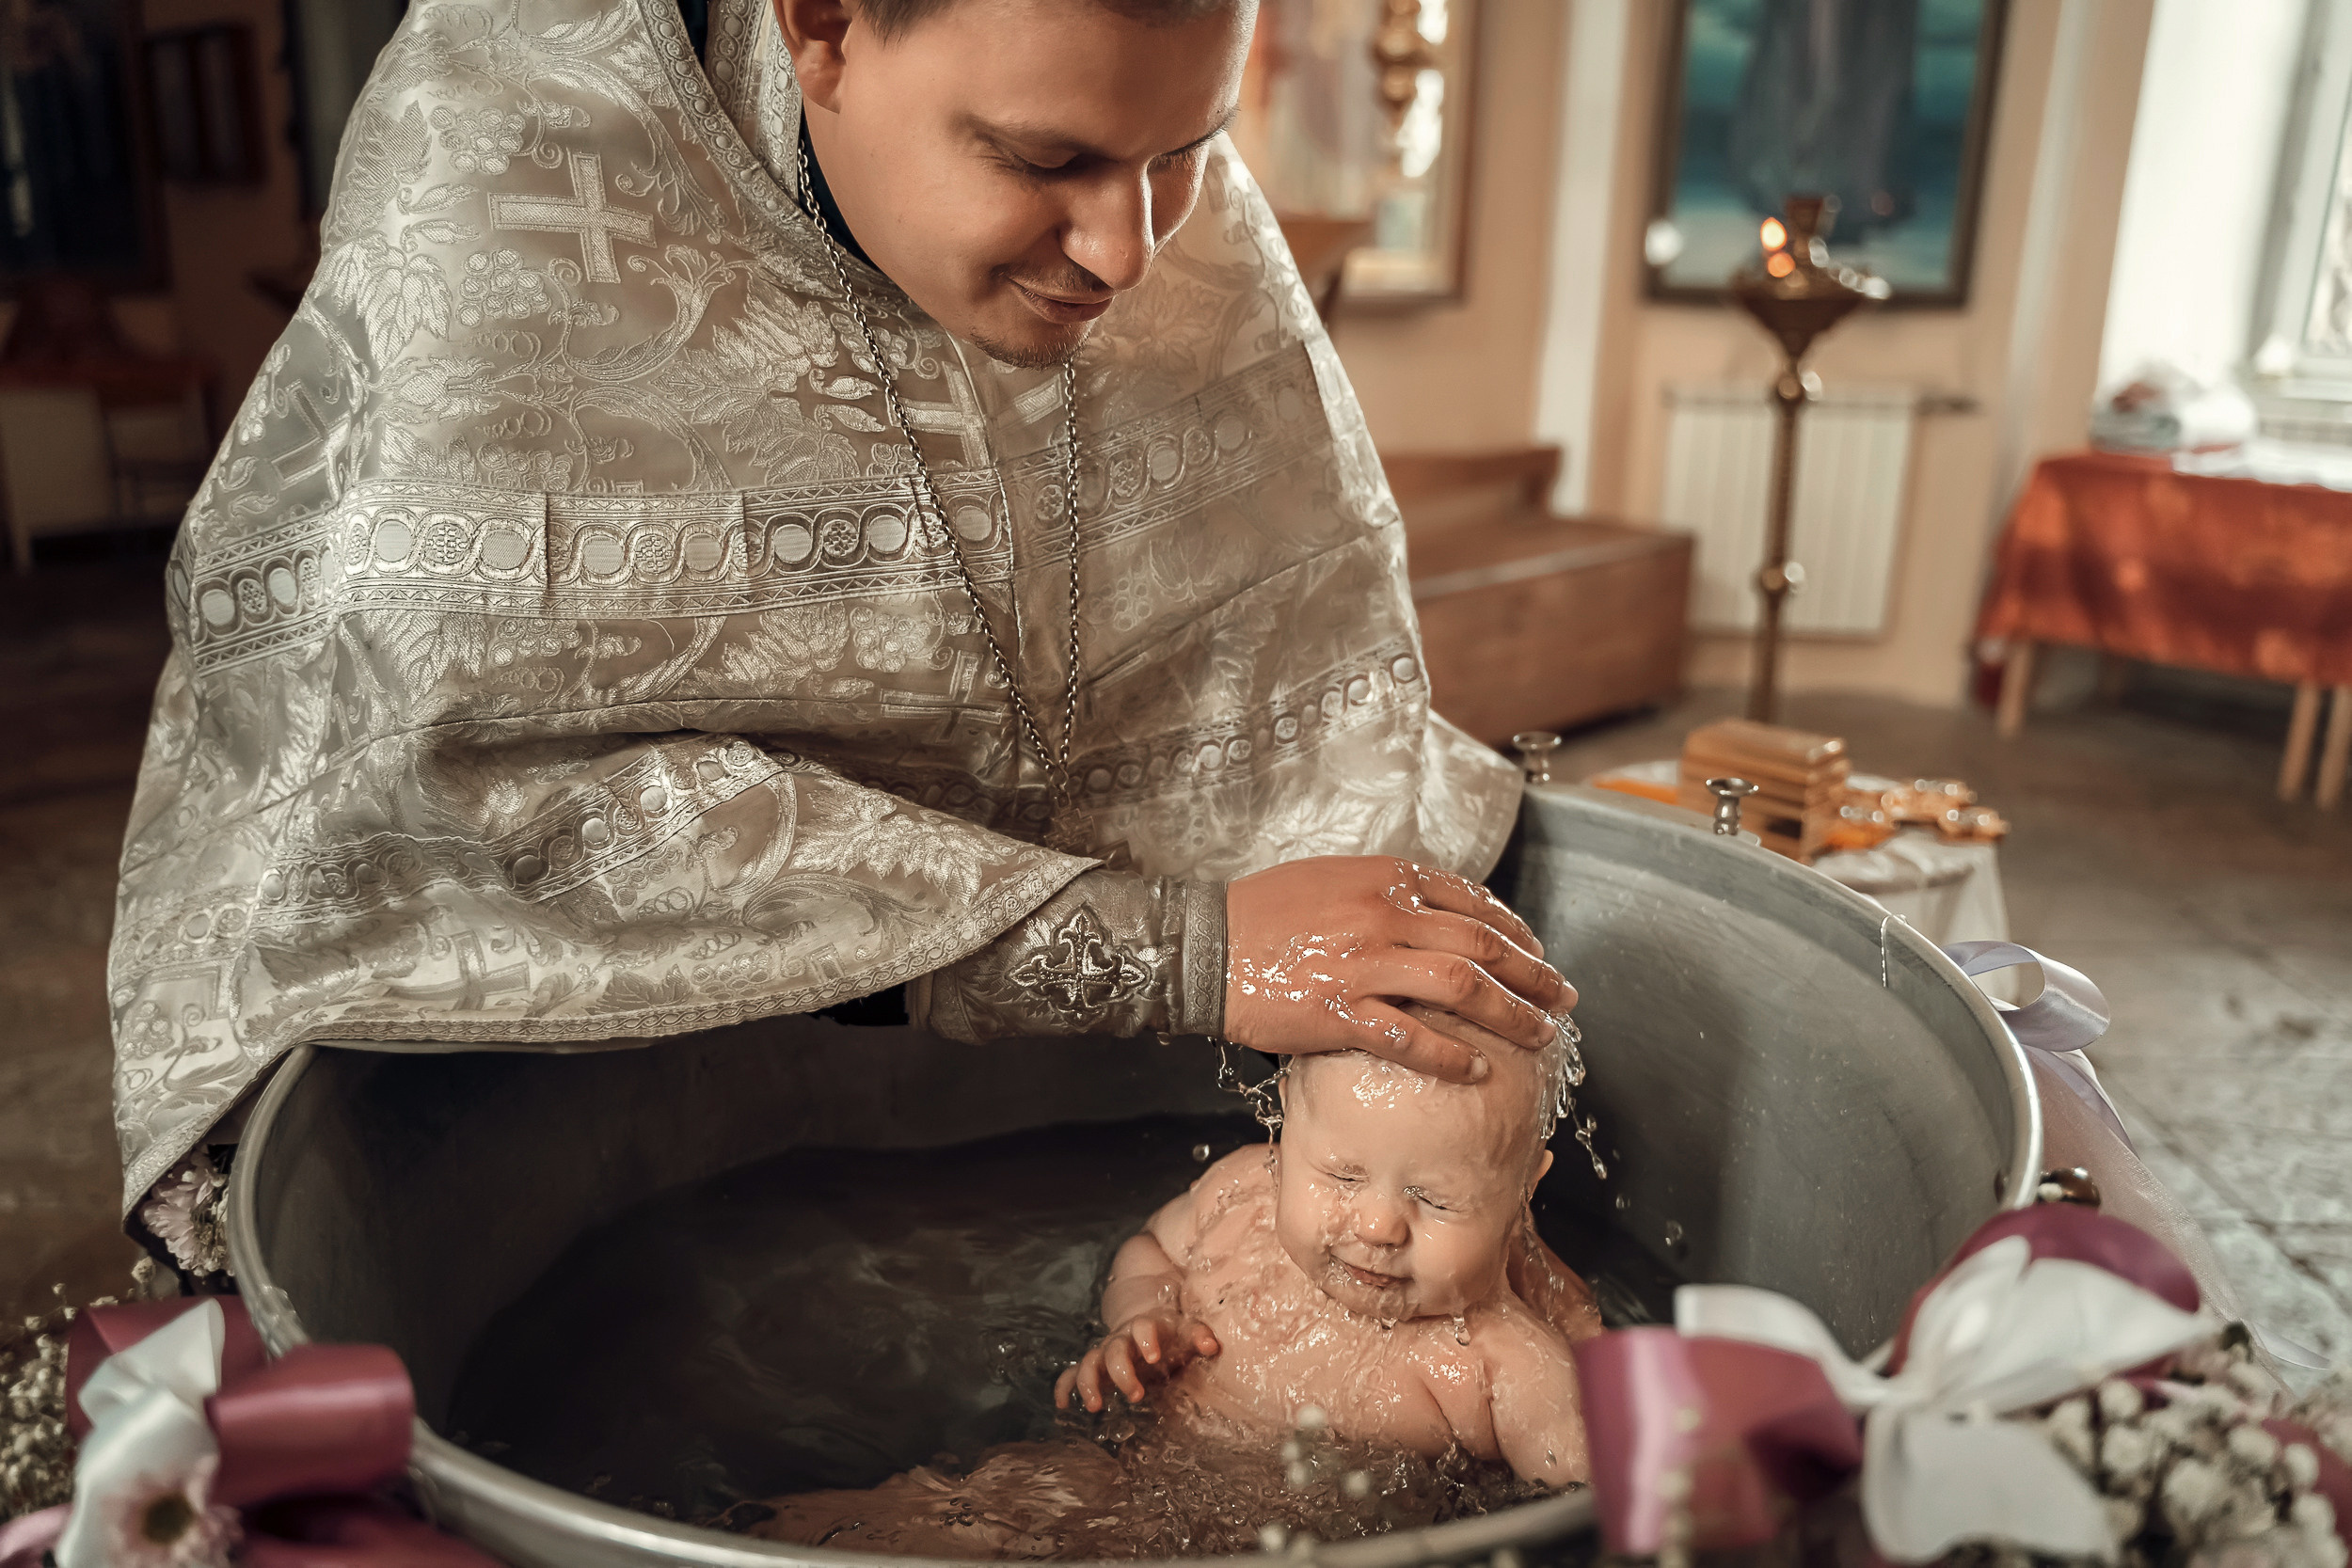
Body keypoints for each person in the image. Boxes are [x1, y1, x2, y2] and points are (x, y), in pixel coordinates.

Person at [108, 0, 1569, 1252]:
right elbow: (456, 812)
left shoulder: (1113, 150)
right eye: (1045, 159)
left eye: (1188, 150)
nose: (1129, 253)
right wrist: (1166, 948)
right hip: (582, 1151)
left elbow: (1283, 640)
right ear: (822, 25)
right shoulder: (507, 172)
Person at [748, 1008, 1599, 1557]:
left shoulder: (1501, 1365)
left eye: (1433, 1197)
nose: (1378, 1224)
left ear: (1524, 1187)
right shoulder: (1239, 1194)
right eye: (1339, 1174)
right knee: (919, 1520)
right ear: (1281, 1131)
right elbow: (1150, 1249)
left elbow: (1591, 1512)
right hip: (1120, 1481)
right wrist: (1137, 1321)